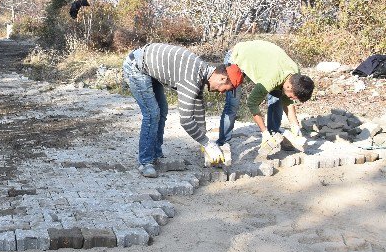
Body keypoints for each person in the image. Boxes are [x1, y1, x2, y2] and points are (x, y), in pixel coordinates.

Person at [123, 43, 244, 178]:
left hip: (148, 65)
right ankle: (146, 162)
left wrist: (206, 146)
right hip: (136, 66)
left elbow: (198, 110)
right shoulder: (192, 79)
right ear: (222, 78)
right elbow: (186, 120)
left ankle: (155, 155)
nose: (222, 93)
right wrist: (207, 143)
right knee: (152, 114)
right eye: (226, 89)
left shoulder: (202, 73)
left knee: (162, 110)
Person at [216, 40, 315, 152]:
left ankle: (275, 136)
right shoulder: (270, 80)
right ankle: (222, 143)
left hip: (263, 59)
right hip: (236, 57)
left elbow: (288, 102)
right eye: (292, 97)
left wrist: (295, 127)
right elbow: (252, 103)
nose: (292, 99)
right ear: (288, 87)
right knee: (233, 103)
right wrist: (264, 132)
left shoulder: (295, 75)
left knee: (277, 98)